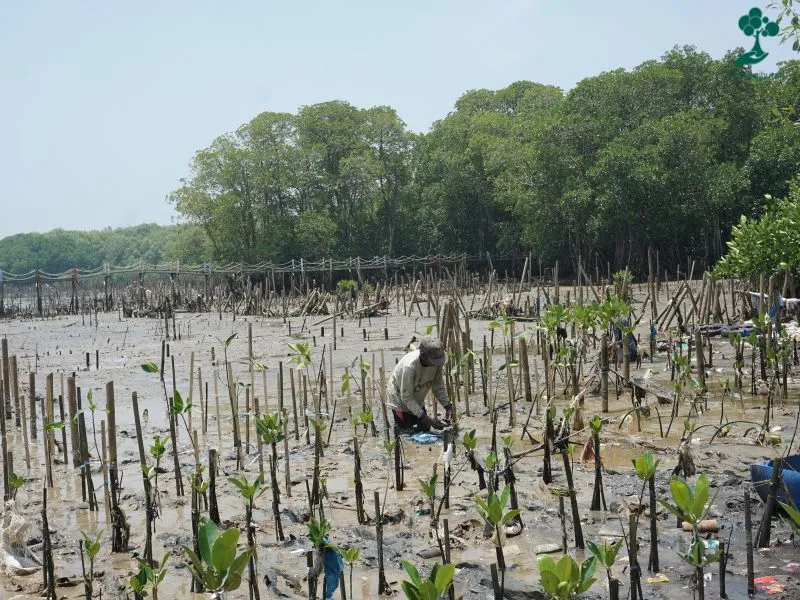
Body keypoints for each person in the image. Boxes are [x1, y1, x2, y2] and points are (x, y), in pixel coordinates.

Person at [386, 335, 453, 433]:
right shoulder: (409, 367)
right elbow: (406, 397)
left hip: (416, 397)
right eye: (433, 361)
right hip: (399, 400)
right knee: (407, 432)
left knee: (425, 429)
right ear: (423, 354)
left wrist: (448, 406)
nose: (436, 364)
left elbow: (438, 387)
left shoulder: (437, 363)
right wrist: (428, 419)